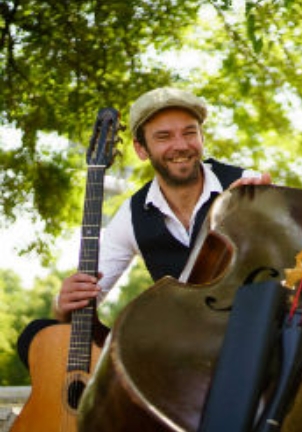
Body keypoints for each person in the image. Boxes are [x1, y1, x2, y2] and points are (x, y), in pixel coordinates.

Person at [16, 86, 271, 367]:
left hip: (251, 338)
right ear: (141, 149)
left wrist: (264, 210)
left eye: (189, 132)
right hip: (180, 352)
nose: (181, 145)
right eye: (163, 137)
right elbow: (88, 299)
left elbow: (293, 259)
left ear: (201, 137)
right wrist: (62, 303)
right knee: (36, 333)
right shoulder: (131, 215)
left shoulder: (246, 184)